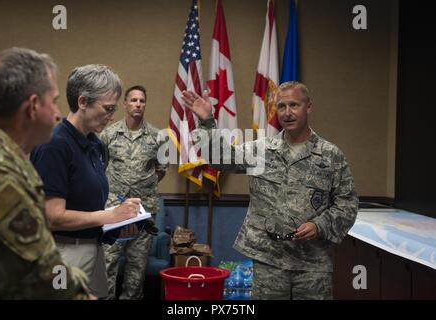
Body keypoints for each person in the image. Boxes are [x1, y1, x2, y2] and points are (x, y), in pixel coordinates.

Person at [182, 81, 359, 300]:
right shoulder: (262, 150)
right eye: (282, 107)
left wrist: (319, 225)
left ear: (308, 107)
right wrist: (207, 121)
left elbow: (347, 204)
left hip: (313, 263)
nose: (287, 113)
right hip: (270, 261)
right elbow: (220, 159)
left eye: (294, 105)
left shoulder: (331, 155)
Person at [0, 47, 91, 299]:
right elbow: (44, 277)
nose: (57, 114)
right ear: (33, 106)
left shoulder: (3, 154)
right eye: (53, 101)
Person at [31, 64, 140, 299]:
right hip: (63, 253)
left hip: (93, 248)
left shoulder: (95, 145)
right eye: (108, 109)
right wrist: (109, 216)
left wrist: (115, 225)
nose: (112, 117)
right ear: (82, 102)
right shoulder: (54, 145)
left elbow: (86, 206)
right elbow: (52, 217)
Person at [101, 85, 168, 300]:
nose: (138, 104)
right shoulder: (108, 134)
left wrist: (142, 187)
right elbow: (99, 167)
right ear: (125, 104)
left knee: (137, 264)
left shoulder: (158, 136)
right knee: (108, 260)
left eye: (142, 100)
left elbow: (161, 169)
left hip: (143, 209)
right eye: (133, 100)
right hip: (114, 208)